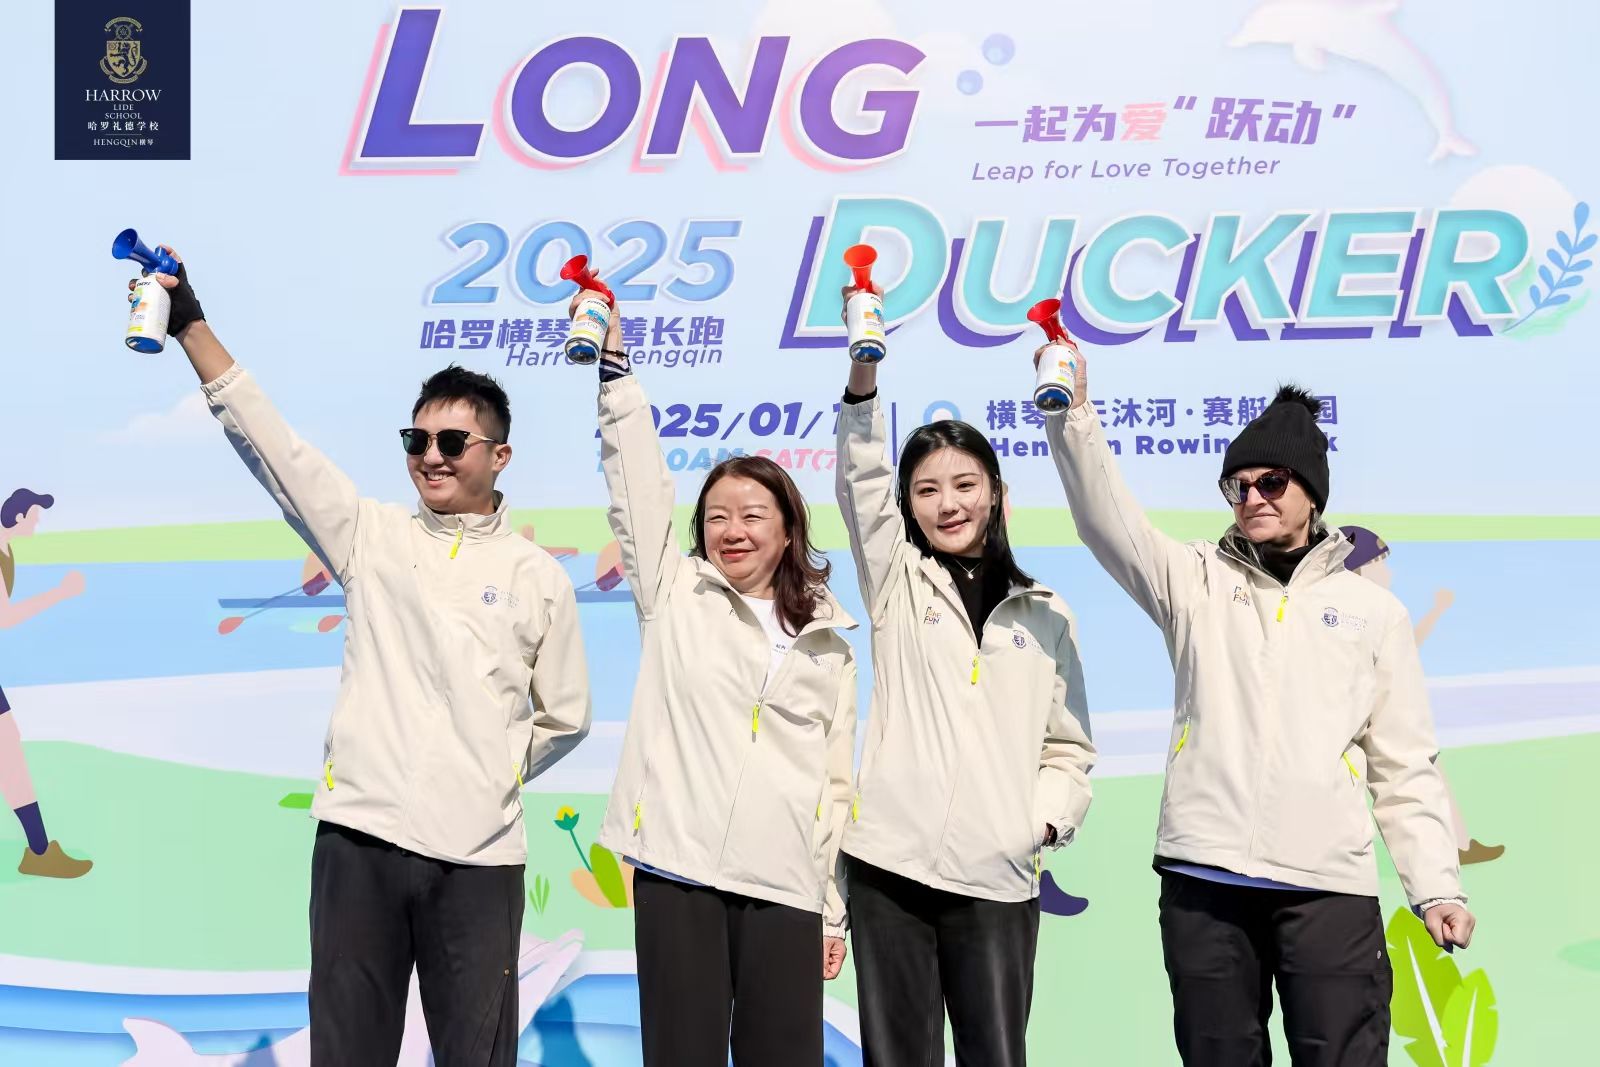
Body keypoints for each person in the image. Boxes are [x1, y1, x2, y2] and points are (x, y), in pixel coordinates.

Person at [127, 250, 592, 1065]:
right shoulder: (370, 535)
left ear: (499, 455)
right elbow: (274, 449)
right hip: (360, 838)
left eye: (453, 440)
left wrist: (483, 771)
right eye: (418, 438)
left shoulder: (537, 577)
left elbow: (567, 716)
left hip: (479, 859)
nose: (431, 456)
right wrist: (192, 326)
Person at [1041, 342, 1474, 1067]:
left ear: (1312, 492)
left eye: (1271, 481)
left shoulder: (1373, 612)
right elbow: (1103, 520)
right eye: (1237, 485)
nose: (1253, 498)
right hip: (1205, 877)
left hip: (1327, 887)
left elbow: (1405, 765)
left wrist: (1434, 888)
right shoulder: (1194, 579)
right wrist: (1074, 414)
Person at [581, 296, 859, 1066]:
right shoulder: (674, 594)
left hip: (786, 885)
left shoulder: (830, 642)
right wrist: (616, 374)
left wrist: (832, 909)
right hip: (680, 872)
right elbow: (638, 490)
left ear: (789, 527)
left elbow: (835, 789)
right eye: (716, 517)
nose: (732, 531)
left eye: (752, 515)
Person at [834, 284, 1095, 1067]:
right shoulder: (896, 580)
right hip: (890, 870)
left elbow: (1068, 748)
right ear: (908, 507)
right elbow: (860, 481)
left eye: (964, 484)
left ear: (997, 495)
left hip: (998, 877)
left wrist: (1037, 823)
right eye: (926, 490)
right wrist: (863, 374)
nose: (947, 504)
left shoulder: (1044, 614)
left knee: (996, 1055)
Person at [1340, 525, 1504, 865]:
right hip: (1364, 725)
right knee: (1413, 778)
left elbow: (1405, 648)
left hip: (1385, 720)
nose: (1388, 572)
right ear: (1358, 571)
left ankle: (1457, 846)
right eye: (1378, 563)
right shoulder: (1355, 617)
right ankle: (1449, 848)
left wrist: (1437, 611)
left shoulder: (1381, 614)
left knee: (1425, 776)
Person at [0, 490, 92, 878]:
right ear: (19, 517)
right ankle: (38, 851)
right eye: (35, 516)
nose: (37, 523)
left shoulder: (6, 552)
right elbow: (5, 618)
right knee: (8, 750)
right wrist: (60, 593)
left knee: (8, 748)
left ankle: (38, 850)